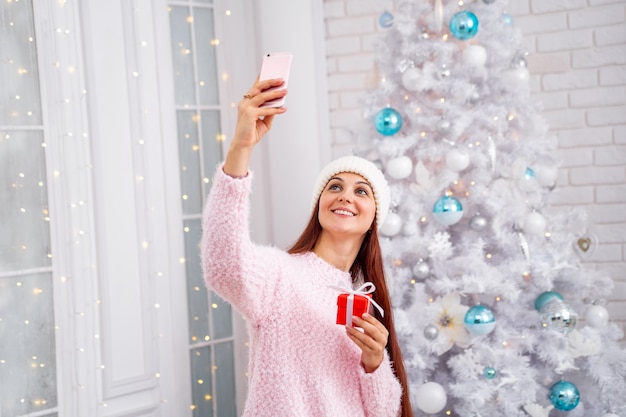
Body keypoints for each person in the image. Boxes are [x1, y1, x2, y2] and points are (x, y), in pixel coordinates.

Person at [201, 77, 413, 417]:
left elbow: (384, 413)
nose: (345, 195)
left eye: (361, 191)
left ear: (375, 218)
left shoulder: (364, 303)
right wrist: (240, 149)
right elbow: (223, 264)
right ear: (319, 204)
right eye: (335, 186)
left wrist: (374, 365)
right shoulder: (279, 273)